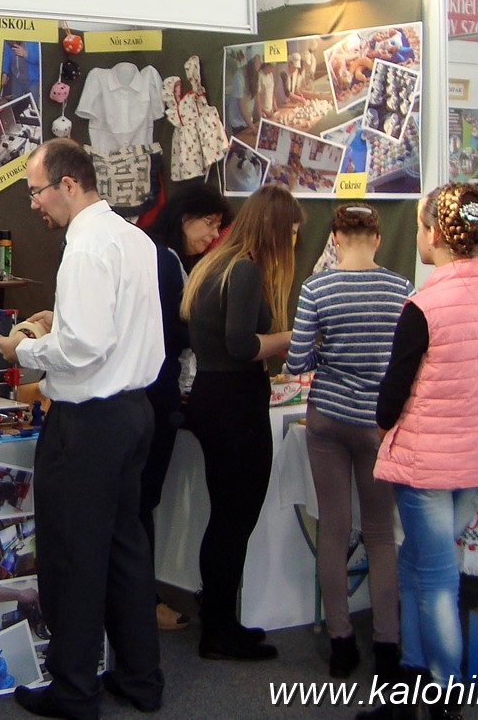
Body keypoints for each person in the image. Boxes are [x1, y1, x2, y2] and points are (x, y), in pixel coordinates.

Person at [0, 139, 165, 718]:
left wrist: (23, 348)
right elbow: (110, 328)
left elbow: (85, 347)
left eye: (36, 191)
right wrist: (59, 322)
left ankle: (73, 690)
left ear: (68, 184)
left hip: (87, 424)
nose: (33, 204)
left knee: (72, 556)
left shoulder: (85, 247)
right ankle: (140, 678)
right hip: (134, 412)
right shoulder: (134, 238)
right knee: (125, 549)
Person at [360, 183, 478, 720]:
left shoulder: (425, 305)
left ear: (434, 233)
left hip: (428, 463)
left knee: (437, 580)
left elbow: (393, 393)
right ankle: (410, 682)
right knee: (418, 564)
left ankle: (445, 696)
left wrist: (383, 427)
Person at [284, 204, 412, 680]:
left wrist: (327, 350)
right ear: (377, 238)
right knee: (380, 533)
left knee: (334, 528)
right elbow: (409, 360)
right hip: (378, 423)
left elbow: (296, 362)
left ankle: (340, 641)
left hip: (328, 419)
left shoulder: (317, 288)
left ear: (334, 239)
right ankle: (387, 645)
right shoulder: (401, 289)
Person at [179, 184, 302, 661]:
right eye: (291, 233)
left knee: (225, 517)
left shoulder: (214, 265)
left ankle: (220, 617)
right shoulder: (245, 269)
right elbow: (242, 345)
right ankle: (219, 629)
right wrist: (292, 337)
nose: (293, 243)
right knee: (236, 519)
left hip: (213, 399)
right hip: (235, 404)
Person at [139, 185, 231, 631]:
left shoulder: (161, 256)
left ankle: (140, 599)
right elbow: (170, 330)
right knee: (141, 500)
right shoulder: (163, 260)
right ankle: (144, 601)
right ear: (184, 217)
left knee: (141, 501)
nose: (212, 235)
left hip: (151, 390)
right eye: (209, 224)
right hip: (154, 392)